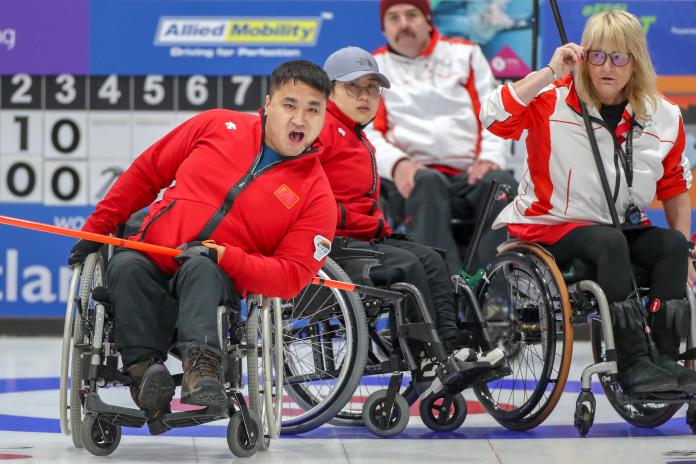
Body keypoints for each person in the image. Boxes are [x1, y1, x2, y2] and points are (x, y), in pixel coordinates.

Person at [67, 60, 337, 433]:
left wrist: (227, 256)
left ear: (324, 116)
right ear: (269, 103)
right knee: (125, 265)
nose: (300, 120)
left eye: (313, 110)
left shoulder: (317, 194)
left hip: (213, 286)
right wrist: (96, 229)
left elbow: (291, 276)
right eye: (290, 105)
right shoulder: (215, 125)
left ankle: (202, 369)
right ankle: (145, 375)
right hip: (152, 260)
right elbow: (146, 173)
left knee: (201, 267)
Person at [481, 10, 696, 394]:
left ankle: (664, 361)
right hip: (550, 226)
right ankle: (633, 365)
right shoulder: (551, 100)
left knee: (672, 244)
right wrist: (550, 71)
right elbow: (493, 117)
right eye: (596, 56)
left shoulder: (663, 115)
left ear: (636, 61)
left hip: (622, 227)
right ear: (583, 58)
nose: (606, 67)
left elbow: (674, 185)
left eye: (618, 57)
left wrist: (686, 255)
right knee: (607, 240)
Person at [319, 46, 503, 374]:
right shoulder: (320, 132)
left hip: (361, 238)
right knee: (411, 264)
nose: (365, 96)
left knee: (433, 257)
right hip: (333, 242)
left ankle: (452, 347)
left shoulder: (359, 137)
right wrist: (357, 222)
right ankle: (428, 357)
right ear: (329, 90)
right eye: (353, 87)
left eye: (372, 88)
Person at [365, 0, 517, 273]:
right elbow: (369, 132)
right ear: (384, 30)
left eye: (411, 15)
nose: (403, 24)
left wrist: (490, 158)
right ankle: (443, 290)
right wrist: (398, 164)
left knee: (501, 185)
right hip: (413, 181)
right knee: (427, 181)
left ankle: (486, 287)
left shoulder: (466, 55)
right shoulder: (375, 68)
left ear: (428, 20)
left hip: (468, 175)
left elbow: (495, 112)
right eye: (394, 18)